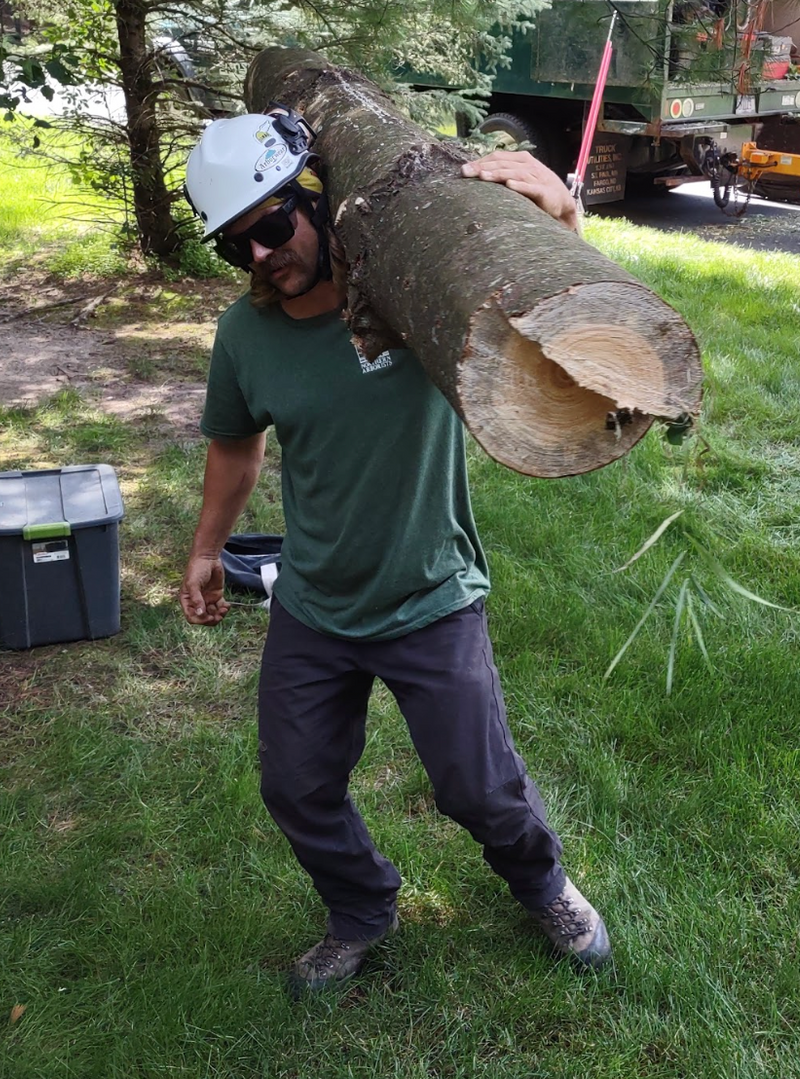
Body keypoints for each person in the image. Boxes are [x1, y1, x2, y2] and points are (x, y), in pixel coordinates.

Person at [179, 110, 606, 995]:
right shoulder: (245, 336)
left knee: (479, 791)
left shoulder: (410, 292)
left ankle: (543, 884)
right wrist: (205, 549)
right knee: (296, 787)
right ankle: (363, 907)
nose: (260, 256)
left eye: (269, 225)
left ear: (314, 199)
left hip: (429, 594)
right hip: (314, 601)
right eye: (235, 245)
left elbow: (554, 338)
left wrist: (560, 218)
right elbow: (234, 444)